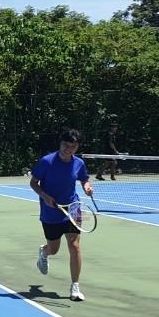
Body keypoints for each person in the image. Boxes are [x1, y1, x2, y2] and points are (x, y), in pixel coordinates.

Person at [30, 128, 94, 302]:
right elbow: (34, 183)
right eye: (66, 145)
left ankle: (75, 287)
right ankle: (44, 252)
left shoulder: (79, 163)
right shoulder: (46, 162)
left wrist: (86, 186)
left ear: (77, 147)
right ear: (60, 143)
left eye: (73, 146)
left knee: (75, 245)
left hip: (73, 208)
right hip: (51, 210)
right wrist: (45, 196)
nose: (68, 149)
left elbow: (83, 178)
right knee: (54, 249)